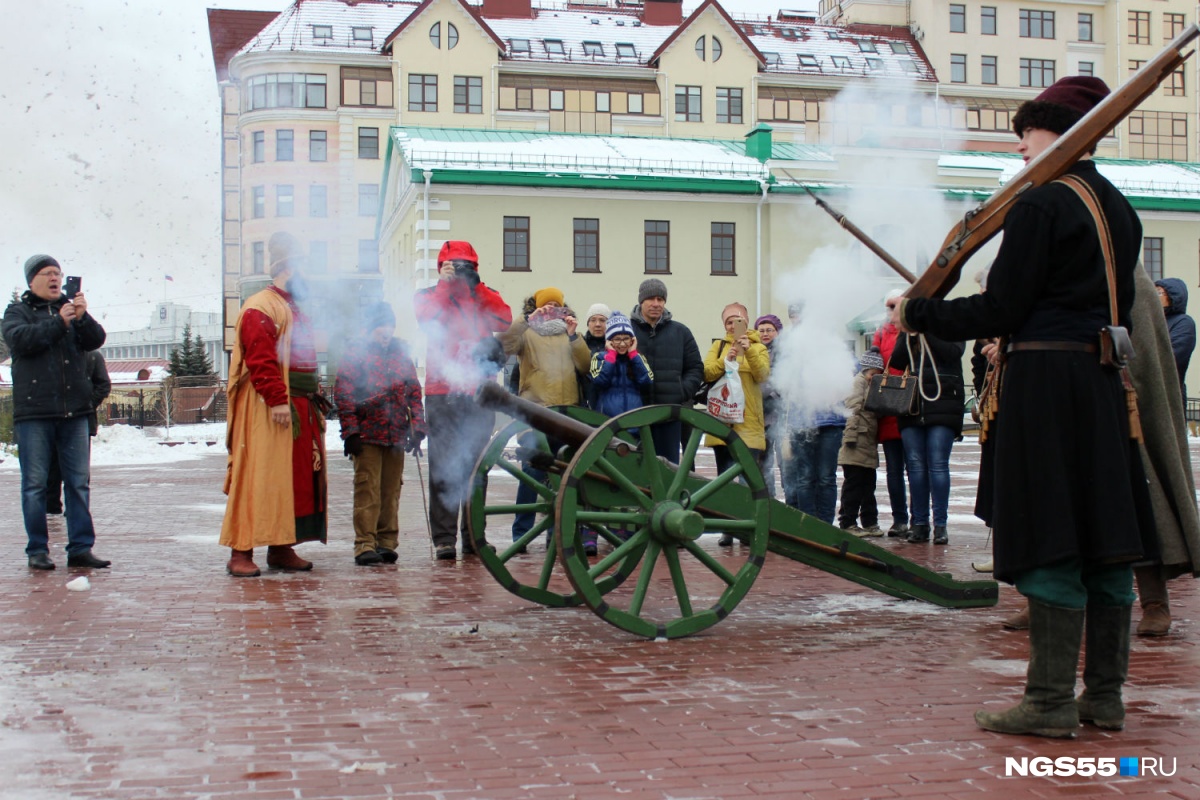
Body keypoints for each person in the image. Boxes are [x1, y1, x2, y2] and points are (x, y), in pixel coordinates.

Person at [887, 76, 1153, 737]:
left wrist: (917, 311)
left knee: (1051, 535)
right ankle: (1105, 698)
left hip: (1046, 384)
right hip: (1101, 383)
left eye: (1027, 131)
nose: (1020, 145)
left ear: (1056, 132)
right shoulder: (1119, 206)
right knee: (1105, 540)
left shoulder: (1039, 206)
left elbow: (1003, 309)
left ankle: (1048, 702)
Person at [220, 232, 328, 577]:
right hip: (268, 409)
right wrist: (277, 399)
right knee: (259, 476)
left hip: (298, 407)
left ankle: (281, 547)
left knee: (290, 481)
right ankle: (241, 551)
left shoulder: (293, 307)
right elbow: (260, 358)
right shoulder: (260, 306)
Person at [2, 254, 109, 570]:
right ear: (31, 279)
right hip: (34, 413)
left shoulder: (72, 312)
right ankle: (37, 549)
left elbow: (95, 340)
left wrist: (82, 317)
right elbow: (21, 341)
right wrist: (58, 322)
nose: (56, 279)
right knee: (35, 485)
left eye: (59, 274)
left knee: (78, 483)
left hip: (74, 413)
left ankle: (80, 549)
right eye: (48, 273)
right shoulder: (16, 312)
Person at [414, 240, 513, 560]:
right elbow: (427, 319)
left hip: (479, 393)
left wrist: (476, 286)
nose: (460, 271)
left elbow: (504, 319)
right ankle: (444, 539)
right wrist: (445, 285)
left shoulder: (482, 296)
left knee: (477, 467)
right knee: (443, 466)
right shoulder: (429, 295)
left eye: (466, 265)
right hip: (442, 393)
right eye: (454, 265)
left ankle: (474, 537)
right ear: (441, 267)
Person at [334, 302, 426, 566]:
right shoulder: (355, 354)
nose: (385, 332)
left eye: (389, 326)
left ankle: (387, 543)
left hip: (396, 434)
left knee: (391, 491)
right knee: (367, 490)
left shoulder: (401, 356)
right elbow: (344, 395)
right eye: (380, 327)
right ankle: (365, 544)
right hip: (367, 436)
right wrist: (350, 431)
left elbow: (414, 394)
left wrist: (417, 427)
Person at [500, 287, 591, 551]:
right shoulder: (525, 333)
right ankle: (521, 534)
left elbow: (585, 366)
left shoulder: (570, 333)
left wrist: (574, 335)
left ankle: (556, 534)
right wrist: (525, 321)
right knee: (531, 472)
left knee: (563, 476)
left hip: (567, 413)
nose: (551, 308)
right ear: (536, 307)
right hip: (535, 413)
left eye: (556, 304)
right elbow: (504, 346)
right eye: (545, 305)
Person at [888, 332, 966, 546]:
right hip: (912, 406)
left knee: (938, 465)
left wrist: (928, 330)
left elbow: (953, 352)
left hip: (944, 403)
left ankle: (940, 524)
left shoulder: (949, 323)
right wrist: (908, 334)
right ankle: (920, 524)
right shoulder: (910, 330)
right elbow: (896, 361)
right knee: (915, 466)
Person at [702, 303, 770, 545]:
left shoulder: (759, 347)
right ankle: (728, 528)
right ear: (724, 325)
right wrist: (726, 357)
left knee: (747, 480)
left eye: (738, 320)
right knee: (724, 479)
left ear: (747, 322)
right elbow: (708, 372)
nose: (733, 325)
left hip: (748, 422)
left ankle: (747, 527)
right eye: (729, 321)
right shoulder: (718, 346)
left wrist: (748, 350)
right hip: (723, 420)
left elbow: (763, 375)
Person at [588, 311, 654, 554]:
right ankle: (590, 534)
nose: (622, 343)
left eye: (626, 338)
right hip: (607, 423)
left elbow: (647, 380)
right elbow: (599, 381)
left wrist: (634, 355)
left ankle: (622, 530)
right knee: (600, 479)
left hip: (633, 426)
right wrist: (612, 355)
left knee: (628, 482)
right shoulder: (599, 357)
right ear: (609, 340)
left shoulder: (638, 357)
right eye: (617, 339)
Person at [628, 279, 703, 463]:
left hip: (668, 416)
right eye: (651, 299)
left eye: (660, 299)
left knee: (668, 468)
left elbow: (695, 368)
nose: (656, 304)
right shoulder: (627, 331)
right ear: (641, 301)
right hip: (635, 414)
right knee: (635, 468)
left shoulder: (681, 332)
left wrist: (680, 391)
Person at [45, 349, 111, 515]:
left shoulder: (92, 355)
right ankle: (51, 506)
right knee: (52, 467)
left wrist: (86, 406)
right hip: (54, 418)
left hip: (82, 421)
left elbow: (103, 385)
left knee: (78, 469)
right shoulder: (52, 354)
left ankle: (76, 508)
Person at [871, 294, 909, 538]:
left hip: (912, 405)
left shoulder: (914, 330)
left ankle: (920, 520)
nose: (891, 312)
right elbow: (873, 362)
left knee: (916, 469)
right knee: (894, 470)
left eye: (895, 307)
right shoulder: (881, 333)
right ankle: (900, 519)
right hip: (889, 407)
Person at [837, 349, 883, 535]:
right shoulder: (858, 383)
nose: (875, 378)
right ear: (865, 371)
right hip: (856, 442)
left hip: (867, 442)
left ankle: (869, 521)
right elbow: (853, 409)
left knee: (868, 486)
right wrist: (850, 437)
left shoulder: (871, 386)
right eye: (873, 374)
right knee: (854, 486)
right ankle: (848, 522)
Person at [755, 314, 784, 498]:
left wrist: (770, 392)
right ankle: (767, 499)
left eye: (769, 330)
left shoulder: (784, 352)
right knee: (761, 462)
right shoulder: (753, 350)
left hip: (778, 411)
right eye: (762, 330)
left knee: (783, 461)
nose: (765, 334)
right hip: (758, 412)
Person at [1154, 278, 1195, 403]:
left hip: (1169, 394)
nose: (1154, 297)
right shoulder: (1152, 321)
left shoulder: (1183, 322)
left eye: (1159, 293)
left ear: (1173, 296)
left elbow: (1171, 356)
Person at [580, 303, 611, 409]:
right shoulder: (580, 346)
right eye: (593, 320)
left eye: (602, 320)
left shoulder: (616, 348)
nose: (598, 324)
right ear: (588, 324)